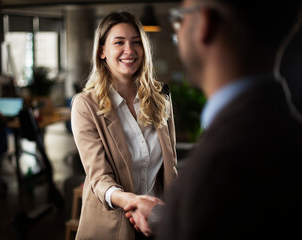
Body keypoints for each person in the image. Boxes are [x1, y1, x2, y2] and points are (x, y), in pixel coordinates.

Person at [124, 0, 302, 239]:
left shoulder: (214, 172)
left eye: (181, 18)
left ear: (204, 25)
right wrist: (161, 215)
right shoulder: (286, 132)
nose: (178, 29)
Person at [71, 11, 177, 239]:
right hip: (112, 228)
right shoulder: (85, 105)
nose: (129, 50)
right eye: (119, 42)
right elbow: (99, 179)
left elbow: (171, 167)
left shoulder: (161, 98)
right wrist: (134, 201)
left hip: (158, 224)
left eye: (136, 42)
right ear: (102, 51)